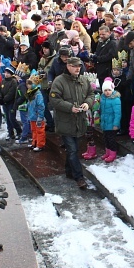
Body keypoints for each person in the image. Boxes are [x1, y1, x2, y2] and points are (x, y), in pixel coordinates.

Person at [49, 57, 94, 189]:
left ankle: (69, 171)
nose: (77, 68)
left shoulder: (83, 80)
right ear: (68, 66)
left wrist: (87, 103)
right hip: (65, 122)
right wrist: (69, 107)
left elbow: (91, 94)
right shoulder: (59, 81)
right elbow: (54, 100)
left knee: (73, 149)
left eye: (79, 66)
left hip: (79, 121)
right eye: (74, 66)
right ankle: (79, 177)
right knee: (73, 150)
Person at [99, 77, 121, 163]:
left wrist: (116, 124)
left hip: (112, 124)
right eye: (105, 90)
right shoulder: (103, 98)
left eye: (109, 90)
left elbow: (118, 113)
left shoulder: (115, 99)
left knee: (111, 139)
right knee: (106, 138)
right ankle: (107, 152)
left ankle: (112, 153)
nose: (107, 92)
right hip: (105, 123)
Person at [0, 66, 20, 141]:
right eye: (5, 73)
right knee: (7, 119)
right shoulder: (2, 81)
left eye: (8, 73)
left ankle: (19, 131)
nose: (6, 74)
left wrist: (4, 99)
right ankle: (10, 133)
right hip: (4, 103)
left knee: (11, 118)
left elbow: (11, 92)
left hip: (11, 103)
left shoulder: (13, 81)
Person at [26, 72, 46, 152]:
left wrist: (40, 116)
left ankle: (40, 145)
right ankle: (34, 142)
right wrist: (25, 106)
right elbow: (29, 103)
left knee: (40, 130)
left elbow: (41, 106)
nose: (28, 85)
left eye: (30, 84)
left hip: (37, 116)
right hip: (32, 116)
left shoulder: (38, 94)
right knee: (34, 130)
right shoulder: (31, 93)